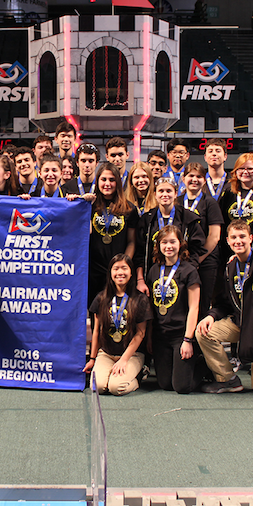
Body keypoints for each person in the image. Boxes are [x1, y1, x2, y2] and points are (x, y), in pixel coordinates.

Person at [195, 220, 253, 394]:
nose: (238, 241)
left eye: (242, 236)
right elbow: (224, 303)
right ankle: (228, 379)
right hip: (240, 324)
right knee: (203, 332)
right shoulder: (230, 267)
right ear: (227, 240)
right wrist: (211, 316)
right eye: (234, 237)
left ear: (250, 238)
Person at [84, 254, 152, 395]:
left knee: (116, 388)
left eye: (124, 268)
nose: (120, 272)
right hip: (107, 353)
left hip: (132, 355)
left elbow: (140, 334)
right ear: (110, 273)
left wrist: (124, 360)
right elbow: (96, 331)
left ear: (131, 272)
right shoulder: (102, 298)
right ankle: (113, 374)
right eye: (116, 269)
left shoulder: (140, 299)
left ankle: (138, 376)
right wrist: (92, 358)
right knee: (98, 387)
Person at [147, 225, 201, 394]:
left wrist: (188, 339)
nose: (168, 246)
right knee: (165, 384)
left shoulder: (189, 271)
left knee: (181, 387)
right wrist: (149, 337)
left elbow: (194, 307)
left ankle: (203, 366)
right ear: (158, 245)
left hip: (180, 335)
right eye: (164, 242)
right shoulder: (154, 270)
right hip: (161, 336)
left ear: (180, 244)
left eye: (172, 242)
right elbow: (151, 308)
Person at [134, 178, 206, 295]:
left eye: (169, 191)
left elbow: (196, 249)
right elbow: (140, 253)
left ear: (176, 193)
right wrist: (140, 280)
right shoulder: (147, 220)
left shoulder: (188, 218)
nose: (165, 194)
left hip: (181, 277)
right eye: (161, 191)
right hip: (153, 275)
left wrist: (188, 271)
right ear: (155, 194)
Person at [87, 163, 138, 307]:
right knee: (95, 310)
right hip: (94, 269)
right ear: (97, 181)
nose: (107, 184)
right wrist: (80, 202)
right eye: (103, 179)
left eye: (112, 180)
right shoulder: (90, 206)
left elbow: (132, 241)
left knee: (117, 310)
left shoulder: (129, 209)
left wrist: (123, 264)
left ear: (118, 182)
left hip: (118, 271)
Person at [180, 162, 224, 318]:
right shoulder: (177, 202)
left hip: (205, 261)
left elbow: (214, 236)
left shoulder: (210, 202)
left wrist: (197, 260)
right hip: (181, 261)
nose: (194, 179)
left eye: (199, 176)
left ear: (204, 180)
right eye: (191, 175)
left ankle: (200, 334)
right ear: (183, 178)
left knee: (202, 304)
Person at [203, 139, 228, 203]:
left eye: (218, 151)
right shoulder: (200, 181)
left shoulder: (233, 181)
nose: (214, 154)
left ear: (225, 156)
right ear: (205, 157)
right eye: (210, 151)